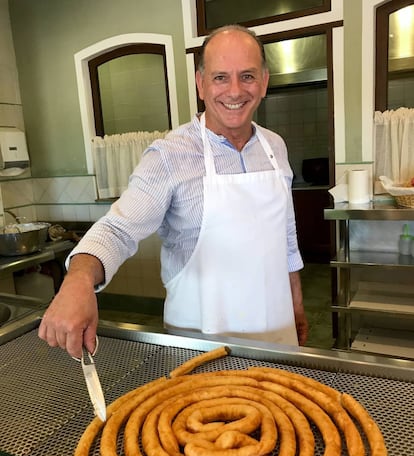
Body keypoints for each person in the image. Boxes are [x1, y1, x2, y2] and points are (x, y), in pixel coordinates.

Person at [38, 24, 308, 358]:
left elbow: (286, 235)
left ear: (264, 82)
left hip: (276, 334)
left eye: (248, 76)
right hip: (201, 344)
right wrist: (78, 280)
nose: (235, 91)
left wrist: (295, 302)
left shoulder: (275, 146)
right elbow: (117, 229)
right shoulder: (169, 155)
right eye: (220, 77)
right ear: (201, 84)